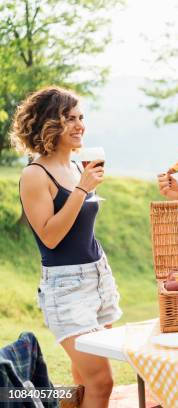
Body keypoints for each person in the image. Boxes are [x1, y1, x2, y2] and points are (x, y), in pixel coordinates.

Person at [11, 86, 122, 407]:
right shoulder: (35, 174)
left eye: (81, 117)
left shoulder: (77, 166)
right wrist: (81, 190)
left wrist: (82, 184)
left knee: (82, 381)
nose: (79, 125)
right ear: (49, 124)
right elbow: (50, 236)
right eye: (68, 118)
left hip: (98, 278)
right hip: (66, 288)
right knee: (101, 382)